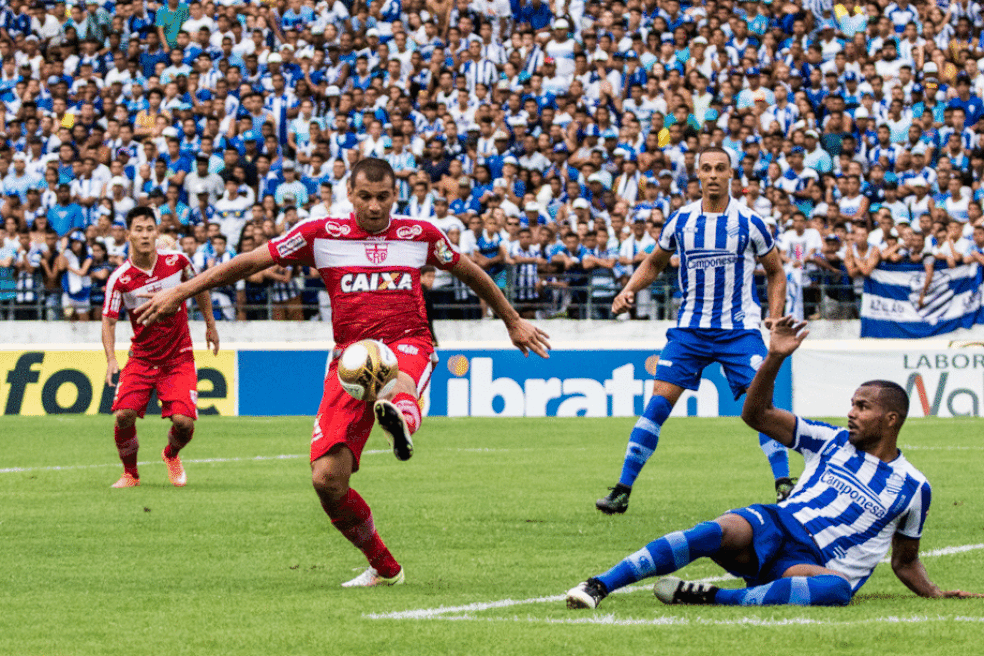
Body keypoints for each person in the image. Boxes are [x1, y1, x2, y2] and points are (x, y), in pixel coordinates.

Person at [134, 158, 550, 587]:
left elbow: (471, 271)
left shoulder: (419, 236)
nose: (374, 207)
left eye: (383, 197)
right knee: (327, 480)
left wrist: (511, 320)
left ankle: (400, 422)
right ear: (349, 194)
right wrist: (183, 289)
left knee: (397, 382)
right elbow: (249, 261)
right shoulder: (320, 235)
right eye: (365, 197)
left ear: (395, 195)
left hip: (408, 341)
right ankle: (385, 568)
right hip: (349, 360)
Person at [566, 316, 982, 609]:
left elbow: (904, 560)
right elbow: (756, 416)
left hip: (809, 565)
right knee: (712, 531)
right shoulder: (829, 438)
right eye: (852, 403)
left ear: (891, 419)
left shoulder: (914, 487)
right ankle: (600, 584)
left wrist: (936, 594)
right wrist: (775, 358)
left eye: (863, 406)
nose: (851, 412)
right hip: (776, 524)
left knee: (838, 590)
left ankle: (711, 597)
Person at [595, 147, 790, 516]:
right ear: (697, 175)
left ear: (732, 174)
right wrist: (628, 290)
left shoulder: (750, 222)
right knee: (656, 406)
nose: (713, 174)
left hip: (740, 330)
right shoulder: (681, 221)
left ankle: (783, 484)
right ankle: (622, 490)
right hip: (690, 330)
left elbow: (777, 271)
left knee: (761, 407)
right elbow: (653, 263)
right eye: (707, 168)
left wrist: (774, 315)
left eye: (720, 168)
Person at [101, 207, 219, 489]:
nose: (145, 235)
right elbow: (108, 321)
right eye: (138, 230)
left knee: (184, 423)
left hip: (178, 357)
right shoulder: (120, 279)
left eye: (149, 229)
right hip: (142, 358)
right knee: (123, 414)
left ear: (157, 232)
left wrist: (210, 325)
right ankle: (130, 474)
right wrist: (111, 359)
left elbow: (200, 288)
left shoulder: (178, 262)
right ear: (128, 234)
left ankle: (171, 455)